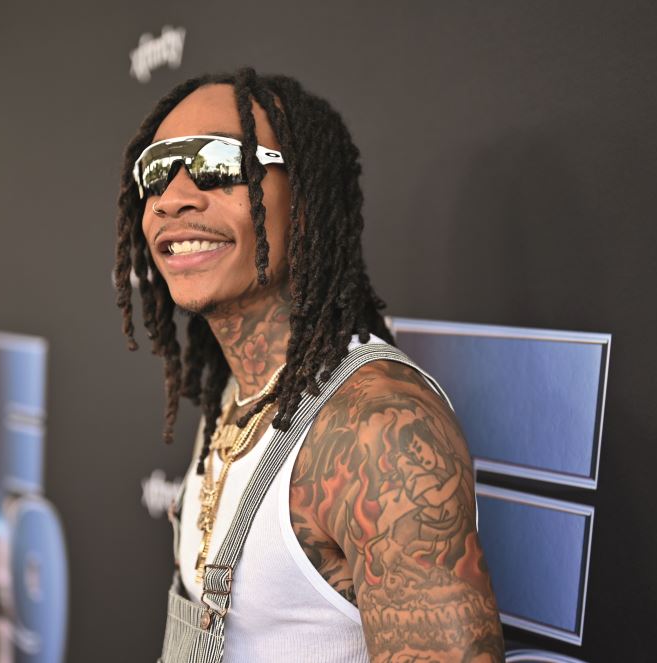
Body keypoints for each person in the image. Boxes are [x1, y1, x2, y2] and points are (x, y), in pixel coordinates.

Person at [113, 67, 504, 663]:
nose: (173, 198)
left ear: (305, 201)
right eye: (156, 172)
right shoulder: (237, 395)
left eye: (219, 165)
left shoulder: (378, 429)